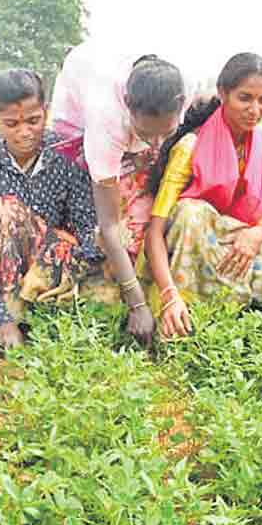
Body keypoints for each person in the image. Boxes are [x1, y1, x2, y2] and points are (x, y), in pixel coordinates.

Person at [141, 53, 262, 338]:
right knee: (192, 212)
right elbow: (155, 233)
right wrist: (169, 294)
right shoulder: (191, 147)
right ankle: (186, 311)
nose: (255, 110)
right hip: (190, 251)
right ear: (223, 93)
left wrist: (257, 236)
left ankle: (219, 299)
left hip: (243, 247)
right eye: (245, 98)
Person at [0, 70, 105, 350]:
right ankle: (10, 320)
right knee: (5, 212)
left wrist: (81, 266)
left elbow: (86, 223)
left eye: (34, 120)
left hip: (54, 263)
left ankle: (52, 309)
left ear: (45, 112)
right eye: (12, 123)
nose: (25, 132)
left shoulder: (65, 152)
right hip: (0, 270)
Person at [49, 43, 189, 346]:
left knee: (148, 216)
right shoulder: (104, 118)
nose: (155, 144)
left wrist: (150, 146)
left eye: (164, 133)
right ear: (127, 104)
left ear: (180, 104)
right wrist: (137, 304)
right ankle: (122, 295)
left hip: (113, 91)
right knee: (118, 227)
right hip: (76, 123)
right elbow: (108, 225)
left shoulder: (182, 89)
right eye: (145, 134)